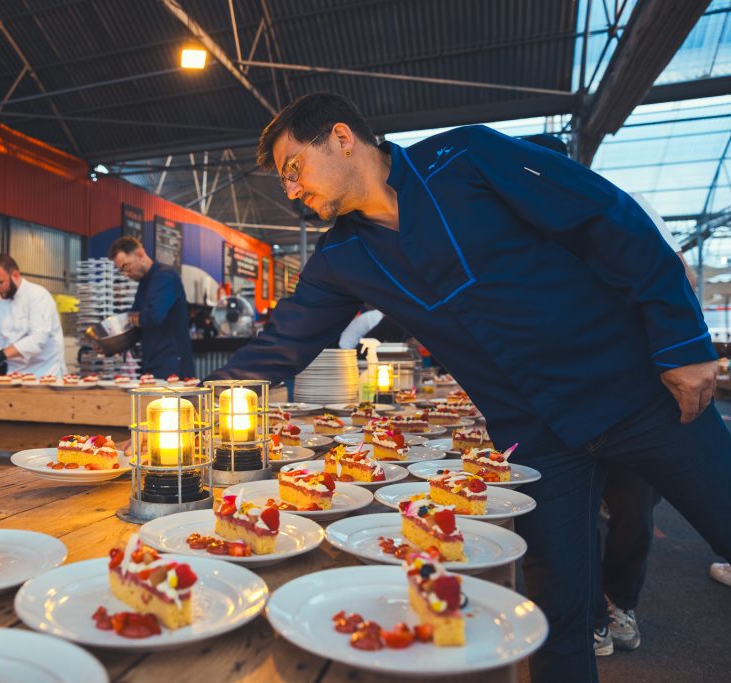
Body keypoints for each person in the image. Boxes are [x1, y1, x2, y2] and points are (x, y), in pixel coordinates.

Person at [205, 93, 731, 683]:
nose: (292, 191)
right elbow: (284, 343)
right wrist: (196, 402)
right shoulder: (340, 259)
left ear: (342, 137)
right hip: (536, 443)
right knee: (554, 616)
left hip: (633, 393)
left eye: (293, 169)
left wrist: (683, 341)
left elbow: (606, 219)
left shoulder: (467, 158)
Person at [108, 236, 194, 378]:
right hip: (152, 364)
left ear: (140, 254)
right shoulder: (144, 284)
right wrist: (109, 346)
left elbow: (153, 316)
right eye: (121, 270)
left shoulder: (166, 276)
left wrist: (130, 318)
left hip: (172, 366)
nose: (125, 274)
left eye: (126, 266)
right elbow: (135, 327)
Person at [0, 253, 66, 377]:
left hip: (45, 373)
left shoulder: (38, 296)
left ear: (15, 275)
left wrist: (2, 354)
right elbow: (1, 340)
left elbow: (38, 339)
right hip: (15, 375)